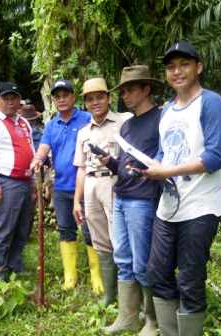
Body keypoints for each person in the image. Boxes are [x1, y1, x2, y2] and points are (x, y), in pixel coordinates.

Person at [143, 41, 221, 336]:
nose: (177, 71)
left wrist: (167, 170)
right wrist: (149, 167)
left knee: (190, 278)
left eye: (184, 64)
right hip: (168, 207)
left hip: (201, 206)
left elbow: (215, 156)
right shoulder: (167, 110)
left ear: (198, 67)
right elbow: (165, 153)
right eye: (170, 67)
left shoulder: (211, 102)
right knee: (157, 272)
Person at [102, 66, 162, 336]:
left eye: (131, 89)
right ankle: (128, 317)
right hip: (122, 196)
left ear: (146, 89)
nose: (125, 94)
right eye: (123, 90)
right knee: (123, 258)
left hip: (143, 200)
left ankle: (152, 320)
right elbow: (125, 166)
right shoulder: (127, 125)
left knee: (142, 262)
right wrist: (110, 163)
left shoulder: (162, 119)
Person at [31, 79, 103, 293]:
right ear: (54, 100)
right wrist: (37, 159)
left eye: (65, 95)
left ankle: (97, 277)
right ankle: (69, 276)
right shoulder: (52, 125)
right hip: (62, 186)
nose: (61, 99)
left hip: (87, 184)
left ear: (73, 97)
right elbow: (44, 148)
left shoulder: (87, 118)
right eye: (57, 96)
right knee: (65, 229)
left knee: (91, 230)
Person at [73, 78, 124, 306]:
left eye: (100, 97)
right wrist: (77, 201)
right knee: (100, 241)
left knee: (119, 239)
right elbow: (81, 168)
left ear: (109, 98)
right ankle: (109, 294)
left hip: (114, 183)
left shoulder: (123, 122)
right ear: (85, 103)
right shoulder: (83, 132)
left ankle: (127, 297)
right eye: (90, 99)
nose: (95, 102)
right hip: (91, 187)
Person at [0, 82, 35, 280]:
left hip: (25, 181)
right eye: (6, 98)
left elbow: (31, 149)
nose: (11, 102)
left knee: (22, 227)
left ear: (19, 100)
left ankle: (14, 264)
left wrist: (33, 179)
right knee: (1, 229)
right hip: (5, 182)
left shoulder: (22, 122)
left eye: (14, 98)